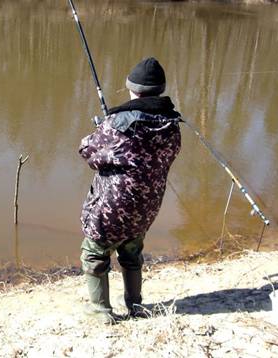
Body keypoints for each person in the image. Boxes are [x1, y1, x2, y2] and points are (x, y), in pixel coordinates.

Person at [78, 57, 181, 323]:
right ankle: (135, 305)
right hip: (146, 208)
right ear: (161, 89)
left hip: (114, 208)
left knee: (94, 253)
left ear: (131, 88)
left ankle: (99, 310)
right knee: (131, 252)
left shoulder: (118, 125)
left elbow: (88, 152)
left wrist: (102, 128)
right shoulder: (171, 125)